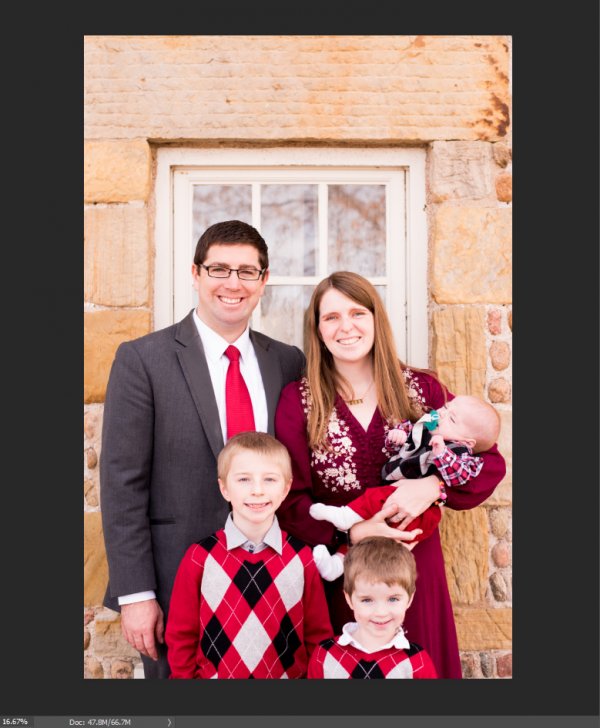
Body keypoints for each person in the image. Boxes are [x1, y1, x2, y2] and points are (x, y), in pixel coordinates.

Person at [100, 221, 306, 679]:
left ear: (263, 281)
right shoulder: (143, 359)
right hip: (176, 584)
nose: (233, 283)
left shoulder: (289, 360)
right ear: (195, 274)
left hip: (274, 579)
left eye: (247, 272)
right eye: (219, 269)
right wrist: (136, 595)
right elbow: (121, 482)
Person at [274, 271, 506, 678]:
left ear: (376, 319)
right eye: (331, 318)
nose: (346, 326)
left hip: (413, 571)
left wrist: (433, 486)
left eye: (357, 313)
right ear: (317, 331)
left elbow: (488, 463)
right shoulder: (299, 400)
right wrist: (352, 533)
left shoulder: (421, 389)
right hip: (341, 579)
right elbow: (290, 501)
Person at [166, 431, 333, 678]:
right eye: (244, 479)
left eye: (269, 479)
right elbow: (181, 636)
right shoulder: (199, 557)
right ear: (224, 489)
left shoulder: (302, 558)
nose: (257, 490)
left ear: (286, 489)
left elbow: (318, 637)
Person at [310, 395, 501, 581]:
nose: (442, 414)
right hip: (394, 494)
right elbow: (406, 440)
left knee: (377, 498)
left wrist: (437, 472)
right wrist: (399, 436)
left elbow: (461, 475)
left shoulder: (460, 453)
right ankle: (336, 565)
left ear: (468, 442)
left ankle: (345, 516)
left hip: (420, 516)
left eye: (451, 418)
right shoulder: (429, 428)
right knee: (366, 533)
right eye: (445, 406)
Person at [307, 536, 437, 679]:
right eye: (367, 600)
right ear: (349, 599)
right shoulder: (325, 655)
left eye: (393, 599)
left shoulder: (417, 662)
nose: (380, 613)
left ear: (409, 599)